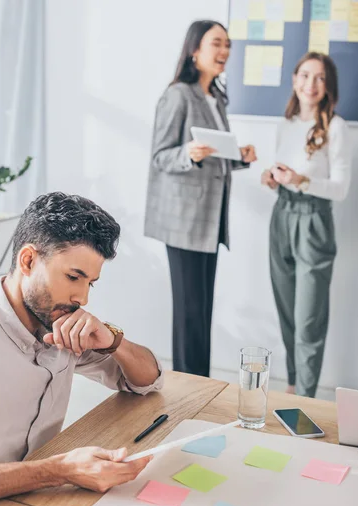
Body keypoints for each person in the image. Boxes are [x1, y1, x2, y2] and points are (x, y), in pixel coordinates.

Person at [0, 192, 163, 505]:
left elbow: (148, 380)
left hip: (43, 505)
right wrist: (57, 471)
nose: (82, 298)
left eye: (91, 283)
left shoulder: (59, 325)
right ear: (28, 260)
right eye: (73, 277)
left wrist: (112, 340)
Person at [145, 20, 257, 378]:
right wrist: (187, 154)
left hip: (209, 222)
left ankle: (199, 385)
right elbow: (161, 156)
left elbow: (213, 154)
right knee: (190, 311)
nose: (224, 52)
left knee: (202, 311)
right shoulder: (178, 94)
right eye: (216, 44)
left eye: (228, 45)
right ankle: (188, 386)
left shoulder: (215, 97)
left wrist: (239, 157)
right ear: (195, 50)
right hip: (184, 222)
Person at [261, 52, 351, 398]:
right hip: (282, 215)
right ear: (294, 79)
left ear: (328, 87)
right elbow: (282, 172)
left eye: (320, 78)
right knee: (287, 314)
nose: (310, 84)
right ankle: (295, 385)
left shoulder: (336, 127)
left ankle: (307, 399)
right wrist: (273, 178)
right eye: (305, 75)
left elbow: (340, 189)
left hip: (314, 220)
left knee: (308, 319)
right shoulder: (284, 124)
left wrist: (301, 180)